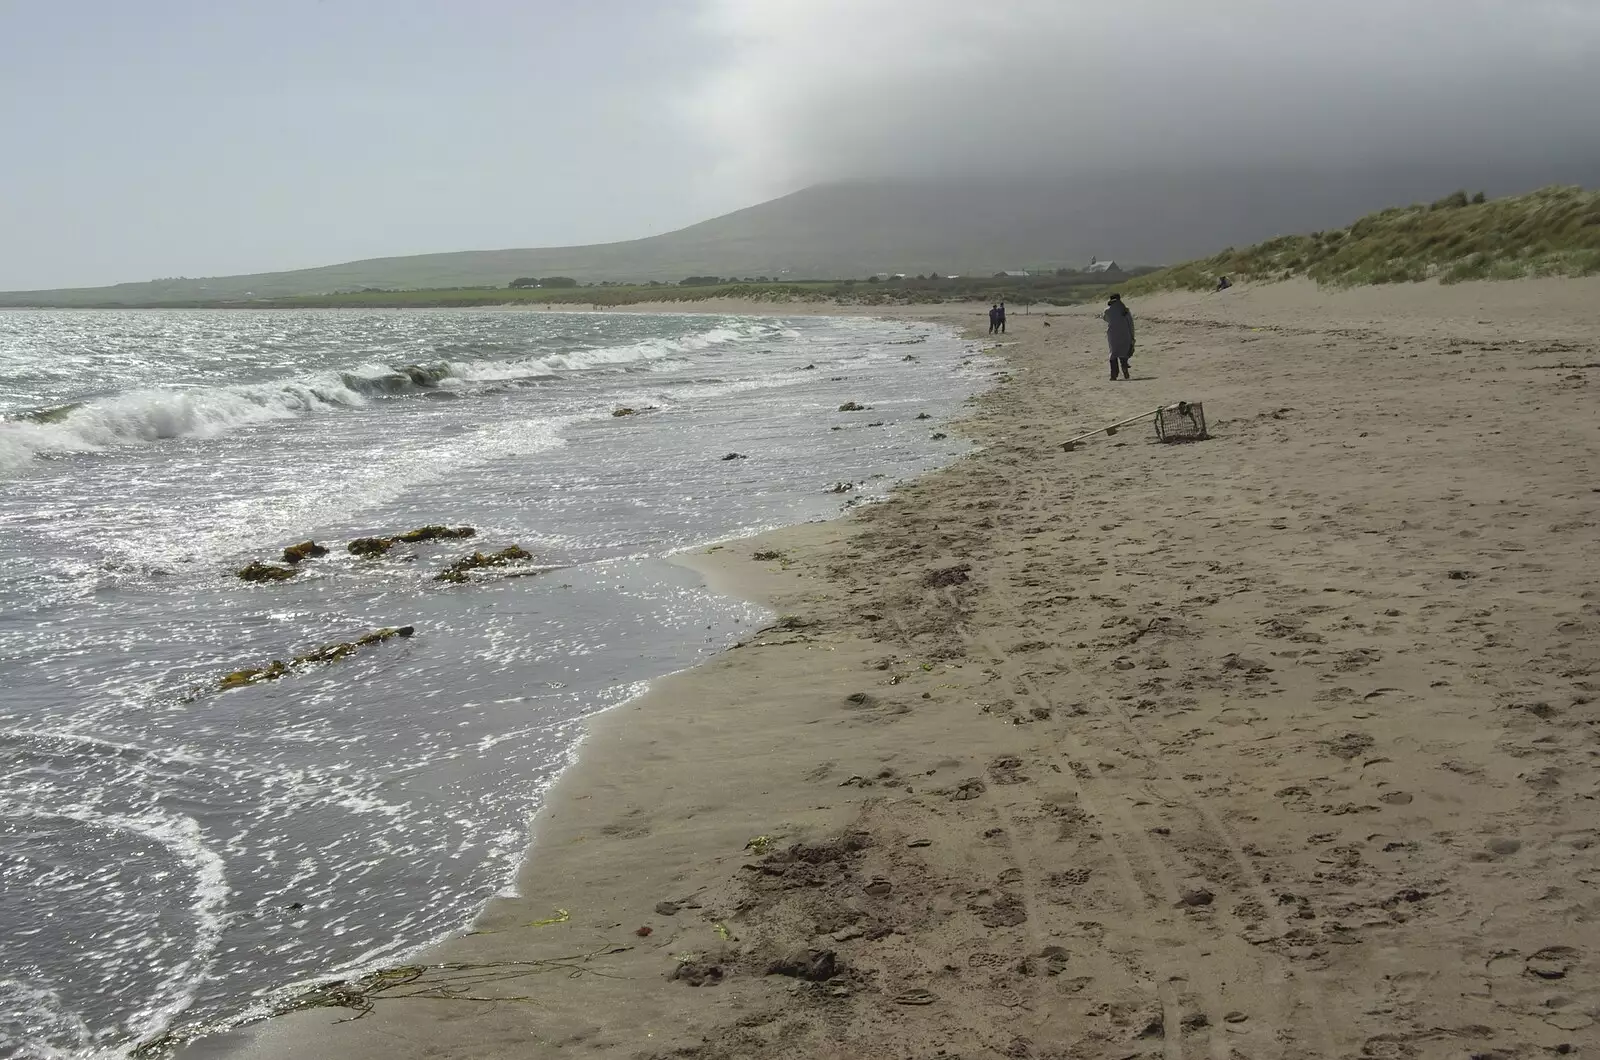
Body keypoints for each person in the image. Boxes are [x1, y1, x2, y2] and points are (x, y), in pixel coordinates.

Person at [1103, 293, 1135, 380]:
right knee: (1123, 353)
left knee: (1113, 353)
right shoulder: (1125, 310)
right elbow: (1131, 324)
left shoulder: (1107, 311)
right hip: (1125, 333)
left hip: (1113, 334)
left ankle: (1114, 375)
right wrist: (1132, 336)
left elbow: (1106, 318)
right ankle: (1125, 370)